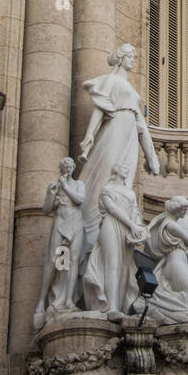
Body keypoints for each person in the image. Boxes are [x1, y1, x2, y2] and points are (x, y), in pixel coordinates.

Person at [79, 44, 159, 247]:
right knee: (106, 173)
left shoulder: (130, 90)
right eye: (130, 56)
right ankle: (93, 229)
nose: (133, 59)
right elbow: (99, 109)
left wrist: (151, 157)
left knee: (125, 180)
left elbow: (141, 126)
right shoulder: (111, 80)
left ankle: (116, 228)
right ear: (121, 58)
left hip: (130, 134)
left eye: (134, 56)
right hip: (115, 129)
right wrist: (89, 135)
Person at [81, 162, 146, 319]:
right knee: (112, 265)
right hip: (111, 225)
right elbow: (113, 209)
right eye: (123, 167)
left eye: (127, 168)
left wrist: (138, 227)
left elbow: (135, 212)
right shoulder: (107, 190)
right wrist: (131, 225)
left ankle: (120, 305)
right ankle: (111, 307)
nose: (127, 169)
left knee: (124, 267)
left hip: (127, 230)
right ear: (115, 170)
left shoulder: (130, 193)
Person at [143, 196, 188, 327]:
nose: (185, 213)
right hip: (175, 264)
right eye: (184, 210)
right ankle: (161, 302)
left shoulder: (173, 222)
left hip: (180, 263)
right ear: (177, 209)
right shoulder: (171, 224)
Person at [34, 157, 85, 328]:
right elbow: (46, 209)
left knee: (72, 261)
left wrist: (65, 187)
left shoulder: (78, 185)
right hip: (60, 222)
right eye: (65, 167)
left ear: (73, 168)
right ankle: (42, 301)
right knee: (54, 261)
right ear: (61, 169)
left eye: (70, 166)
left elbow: (79, 200)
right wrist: (51, 194)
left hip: (75, 223)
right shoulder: (54, 185)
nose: (68, 169)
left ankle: (68, 300)